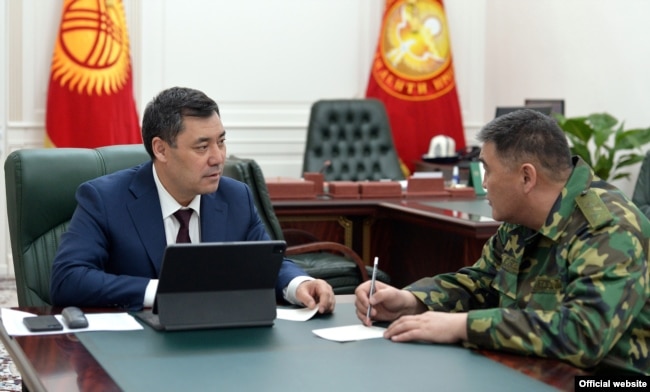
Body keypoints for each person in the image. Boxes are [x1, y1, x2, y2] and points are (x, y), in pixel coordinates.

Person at [355, 109, 650, 375]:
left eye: (488, 170)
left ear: (526, 177)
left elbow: (584, 335)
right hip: (535, 369)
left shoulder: (608, 229)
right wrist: (412, 301)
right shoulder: (522, 221)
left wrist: (463, 326)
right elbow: (482, 283)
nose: (483, 183)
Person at [50, 86, 335, 313]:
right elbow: (69, 279)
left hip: (218, 347)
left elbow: (265, 262)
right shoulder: (105, 199)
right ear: (161, 150)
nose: (219, 158)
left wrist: (299, 284)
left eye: (221, 142)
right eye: (202, 147)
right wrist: (163, 292)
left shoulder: (236, 196)